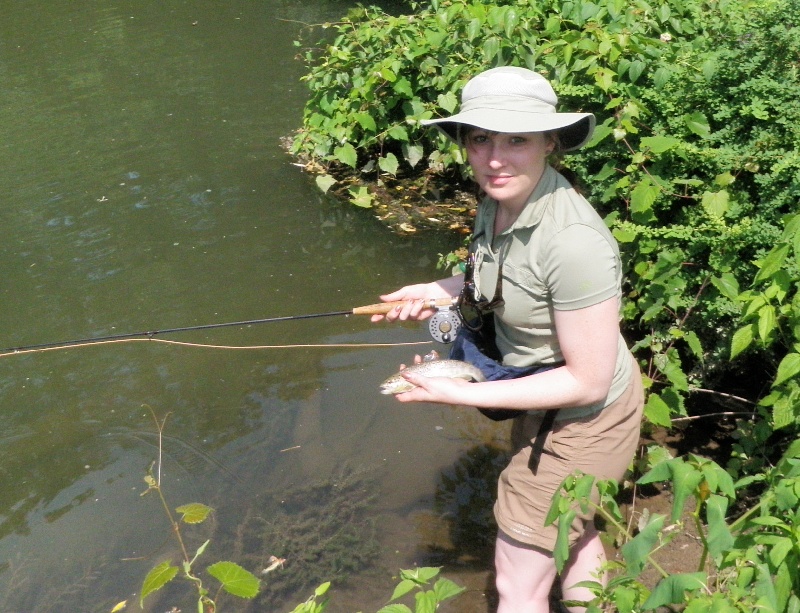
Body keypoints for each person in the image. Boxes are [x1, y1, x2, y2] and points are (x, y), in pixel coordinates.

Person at [372, 66, 644, 612]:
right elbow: (494, 279)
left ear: (550, 142)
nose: (495, 158)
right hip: (538, 391)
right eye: (481, 139)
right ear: (466, 145)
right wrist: (437, 290)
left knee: (516, 586)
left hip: (585, 417)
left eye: (516, 139)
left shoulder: (574, 244)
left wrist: (457, 393)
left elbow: (586, 381)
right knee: (573, 529)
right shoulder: (500, 200)